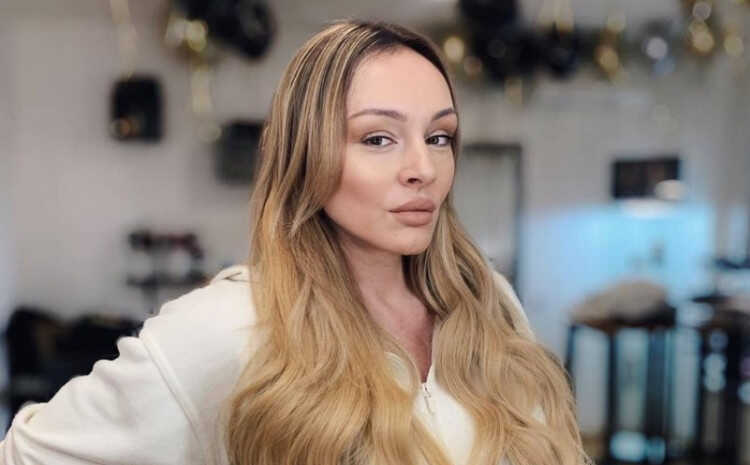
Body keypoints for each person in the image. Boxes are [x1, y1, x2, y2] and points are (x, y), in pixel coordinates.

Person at [0, 20, 588, 465]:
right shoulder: (227, 327)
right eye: (378, 139)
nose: (423, 169)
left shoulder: (489, 301)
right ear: (307, 154)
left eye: (439, 137)